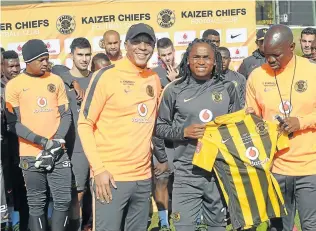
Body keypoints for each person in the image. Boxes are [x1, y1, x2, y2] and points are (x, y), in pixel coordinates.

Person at [78, 23, 165, 231]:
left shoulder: (153, 79)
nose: (142, 47)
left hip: (143, 178)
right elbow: (84, 124)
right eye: (137, 42)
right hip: (110, 178)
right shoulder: (106, 76)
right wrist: (98, 170)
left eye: (148, 43)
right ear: (127, 45)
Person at [154, 38, 241, 231]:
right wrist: (183, 132)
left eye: (206, 58)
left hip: (218, 173)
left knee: (217, 227)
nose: (201, 62)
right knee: (184, 227)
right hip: (186, 174)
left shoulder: (227, 88)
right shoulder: (174, 90)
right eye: (196, 57)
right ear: (187, 60)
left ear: (214, 61)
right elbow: (160, 128)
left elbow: (237, 128)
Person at [245, 24, 316, 231]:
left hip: (309, 167)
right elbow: (251, 120)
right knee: (279, 227)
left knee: (311, 225)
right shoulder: (256, 77)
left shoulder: (311, 71)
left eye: (276, 55)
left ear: (292, 47)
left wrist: (300, 122)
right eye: (266, 55)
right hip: (275, 169)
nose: (270, 60)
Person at [5, 39, 72, 231]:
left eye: (47, 58)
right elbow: (13, 124)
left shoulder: (55, 80)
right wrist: (42, 142)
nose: (45, 63)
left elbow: (66, 114)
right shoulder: (15, 85)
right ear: (29, 61)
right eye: (41, 59)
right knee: (36, 204)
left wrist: (57, 141)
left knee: (63, 200)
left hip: (58, 152)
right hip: (30, 153)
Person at [52, 37, 93, 231]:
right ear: (72, 55)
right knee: (78, 193)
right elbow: (54, 67)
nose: (84, 59)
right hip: (76, 147)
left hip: (98, 145)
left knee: (99, 191)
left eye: (87, 55)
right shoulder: (62, 79)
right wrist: (73, 81)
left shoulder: (96, 79)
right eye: (80, 55)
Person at [151, 37, 178, 231]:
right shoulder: (153, 75)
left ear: (174, 51)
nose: (167, 59)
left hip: (182, 138)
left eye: (170, 54)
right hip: (161, 137)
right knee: (162, 179)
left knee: (183, 181)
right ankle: (163, 222)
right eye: (163, 56)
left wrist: (176, 82)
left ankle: (182, 218)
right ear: (158, 56)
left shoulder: (185, 70)